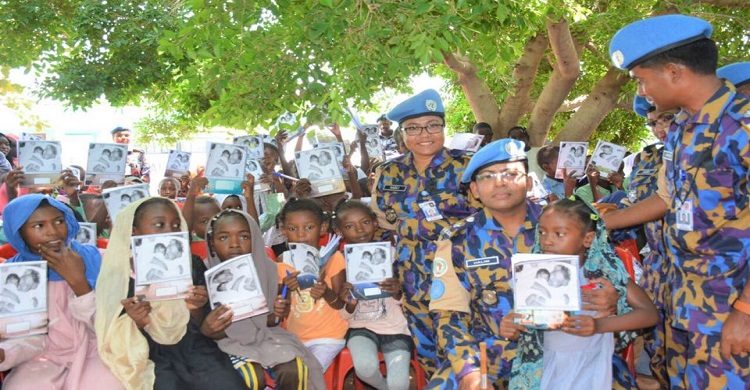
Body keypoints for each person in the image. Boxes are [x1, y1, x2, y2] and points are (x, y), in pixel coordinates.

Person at [607, 14, 750, 387]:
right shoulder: (681, 130)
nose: (641, 92)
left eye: (641, 80)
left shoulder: (743, 126)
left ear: (672, 71)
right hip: (683, 303)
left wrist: (745, 311)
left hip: (731, 308)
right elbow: (665, 198)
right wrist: (598, 221)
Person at [371, 89, 477, 376]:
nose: (424, 134)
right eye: (413, 128)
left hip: (461, 276)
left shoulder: (466, 167)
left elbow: (486, 219)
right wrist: (386, 270)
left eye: (433, 125)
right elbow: (382, 226)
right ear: (402, 134)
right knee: (428, 352)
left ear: (444, 128)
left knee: (467, 354)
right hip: (413, 277)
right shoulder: (389, 172)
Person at [501, 198, 658, 389]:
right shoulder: (533, 274)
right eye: (542, 232)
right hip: (544, 370)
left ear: (588, 239)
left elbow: (649, 314)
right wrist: (511, 325)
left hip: (589, 369)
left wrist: (599, 325)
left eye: (559, 234)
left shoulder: (605, 275)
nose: (547, 240)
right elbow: (523, 320)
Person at [96, 197, 246, 390]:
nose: (169, 231)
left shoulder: (192, 265)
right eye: (159, 225)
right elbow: (109, 334)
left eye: (176, 225)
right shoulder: (119, 275)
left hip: (193, 346)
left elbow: (204, 328)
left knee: (226, 383)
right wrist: (136, 322)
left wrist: (195, 308)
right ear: (134, 231)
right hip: (147, 351)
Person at [0, 194, 121, 389]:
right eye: (39, 226)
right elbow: (25, 337)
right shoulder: (13, 275)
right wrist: (6, 353)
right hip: (40, 356)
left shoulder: (99, 260)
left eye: (59, 221)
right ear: (19, 233)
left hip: (97, 350)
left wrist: (79, 283)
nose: (53, 232)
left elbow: (114, 328)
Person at [201, 209, 326, 389]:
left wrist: (276, 313)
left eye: (244, 237)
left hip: (265, 336)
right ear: (212, 244)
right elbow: (204, 330)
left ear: (255, 240)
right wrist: (210, 328)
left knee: (295, 369)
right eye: (223, 238)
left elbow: (268, 321)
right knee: (250, 376)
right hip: (221, 341)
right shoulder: (203, 273)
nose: (235, 244)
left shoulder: (266, 267)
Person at [334, 200, 412, 390]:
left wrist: (397, 292)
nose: (359, 230)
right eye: (350, 226)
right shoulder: (340, 262)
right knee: (365, 369)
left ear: (375, 223)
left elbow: (409, 298)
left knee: (399, 383)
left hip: (395, 328)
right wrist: (349, 303)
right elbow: (341, 313)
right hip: (360, 328)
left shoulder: (392, 254)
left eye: (365, 223)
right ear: (340, 231)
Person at [280, 198, 348, 370]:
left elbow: (341, 304)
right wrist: (287, 288)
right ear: (283, 231)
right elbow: (282, 311)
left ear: (323, 228)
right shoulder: (282, 264)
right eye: (292, 228)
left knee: (308, 375)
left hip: (329, 336)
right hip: (295, 336)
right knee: (284, 372)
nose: (301, 235)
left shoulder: (334, 259)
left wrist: (325, 291)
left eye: (309, 227)